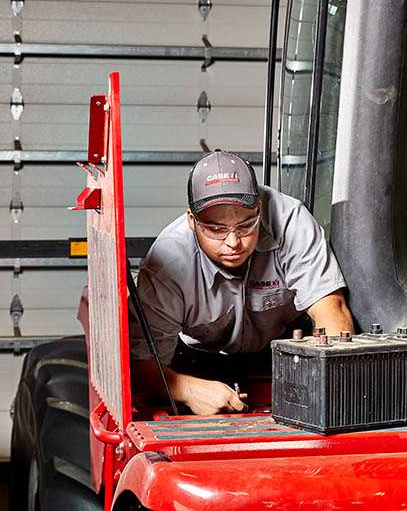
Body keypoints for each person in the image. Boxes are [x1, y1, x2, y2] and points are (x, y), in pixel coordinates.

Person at [131, 150, 354, 415]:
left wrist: (332, 390)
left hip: (281, 350)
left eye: (246, 225)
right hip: (198, 362)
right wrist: (188, 390)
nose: (233, 242)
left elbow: (332, 310)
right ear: (193, 221)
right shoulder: (167, 262)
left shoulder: (291, 220)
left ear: (259, 209)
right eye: (216, 230)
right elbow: (139, 368)